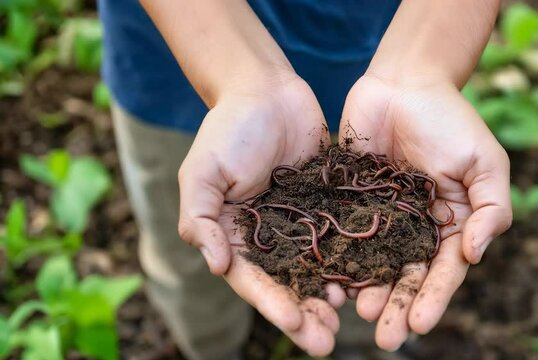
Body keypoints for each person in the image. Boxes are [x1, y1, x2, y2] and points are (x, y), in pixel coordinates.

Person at [98, 1, 512, 359]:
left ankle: (360, 345)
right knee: (194, 248)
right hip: (171, 63)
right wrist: (238, 80)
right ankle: (209, 345)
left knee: (367, 283)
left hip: (387, 54)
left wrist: (425, 71)